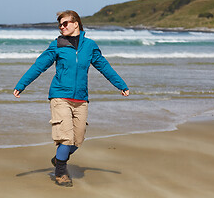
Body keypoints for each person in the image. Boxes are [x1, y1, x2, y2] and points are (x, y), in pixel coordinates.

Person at [13, 10, 129, 187]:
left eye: (65, 23)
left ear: (76, 24)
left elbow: (104, 67)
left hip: (81, 99)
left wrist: (120, 84)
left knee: (77, 140)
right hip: (60, 96)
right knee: (65, 138)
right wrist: (21, 85)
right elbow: (39, 65)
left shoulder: (90, 46)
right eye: (60, 25)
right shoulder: (57, 45)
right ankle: (60, 172)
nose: (62, 27)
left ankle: (59, 158)